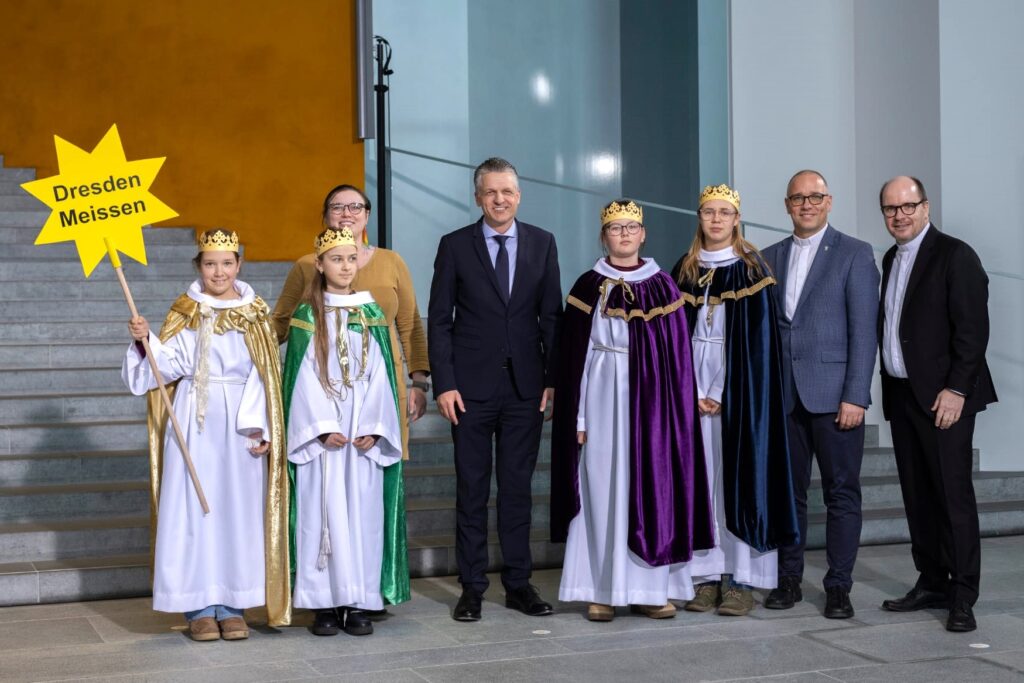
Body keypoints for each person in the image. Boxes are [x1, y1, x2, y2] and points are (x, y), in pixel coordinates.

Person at [122, 228, 290, 641]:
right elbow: (167, 366)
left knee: (237, 511)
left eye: (227, 263)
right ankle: (198, 607)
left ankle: (232, 606)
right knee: (193, 509)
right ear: (199, 266)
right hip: (194, 420)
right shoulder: (187, 310)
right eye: (211, 264)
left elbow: (266, 375)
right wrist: (146, 342)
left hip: (241, 424)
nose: (219, 272)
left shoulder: (255, 313)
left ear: (239, 264)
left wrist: (262, 425)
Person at [551, 199, 712, 622]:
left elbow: (678, 358)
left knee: (651, 489)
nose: (623, 234)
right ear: (603, 236)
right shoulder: (588, 285)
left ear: (643, 234)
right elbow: (575, 358)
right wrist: (578, 417)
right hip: (601, 396)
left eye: (630, 227)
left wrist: (676, 413)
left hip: (653, 404)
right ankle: (602, 590)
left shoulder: (663, 286)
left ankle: (649, 590)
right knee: (601, 490)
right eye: (615, 228)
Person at [428, 157, 563, 621]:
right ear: (477, 197)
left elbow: (552, 317)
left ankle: (519, 584)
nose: (499, 199)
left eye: (507, 192)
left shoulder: (543, 243)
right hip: (469, 390)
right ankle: (472, 587)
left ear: (518, 196)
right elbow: (439, 320)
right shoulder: (454, 246)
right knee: (471, 489)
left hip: (526, 388)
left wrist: (552, 379)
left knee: (517, 490)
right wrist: (444, 383)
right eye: (490, 192)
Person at [876, 175, 996, 633]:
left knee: (952, 496)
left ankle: (963, 595)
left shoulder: (955, 255)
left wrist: (957, 390)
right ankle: (932, 581)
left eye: (908, 206)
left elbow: (973, 330)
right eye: (891, 208)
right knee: (918, 495)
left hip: (945, 397)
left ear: (925, 207)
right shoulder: (891, 258)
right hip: (903, 394)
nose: (899, 215)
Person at [674, 184, 800, 617]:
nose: (716, 219)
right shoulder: (685, 269)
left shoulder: (752, 270)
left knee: (737, 482)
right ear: (699, 217)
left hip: (736, 395)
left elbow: (756, 346)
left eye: (724, 212)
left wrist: (720, 391)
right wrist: (691, 389)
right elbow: (673, 339)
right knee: (701, 483)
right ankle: (705, 576)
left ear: (736, 219)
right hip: (690, 392)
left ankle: (741, 579)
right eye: (708, 211)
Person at [760, 170, 879, 619]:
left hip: (836, 398)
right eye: (798, 198)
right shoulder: (768, 257)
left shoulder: (855, 253)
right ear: (787, 205)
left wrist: (856, 395)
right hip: (784, 397)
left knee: (841, 494)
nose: (806, 205)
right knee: (787, 494)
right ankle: (788, 578)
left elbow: (864, 332)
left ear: (829, 202)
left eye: (815, 197)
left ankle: (838, 586)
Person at [282, 226, 407, 637]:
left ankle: (357, 600)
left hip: (361, 433)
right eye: (336, 259)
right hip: (325, 437)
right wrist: (320, 428)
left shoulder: (370, 312)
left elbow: (381, 375)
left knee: (362, 515)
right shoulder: (307, 316)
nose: (346, 266)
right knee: (322, 512)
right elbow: (300, 377)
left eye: (351, 258)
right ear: (319, 265)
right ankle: (323, 602)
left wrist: (375, 427)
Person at [272, 184, 430, 461]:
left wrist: (419, 382)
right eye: (337, 207)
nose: (347, 213)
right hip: (325, 389)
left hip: (381, 383)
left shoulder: (392, 262)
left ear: (367, 215)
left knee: (377, 467)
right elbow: (281, 323)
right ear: (326, 216)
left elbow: (410, 326)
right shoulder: (306, 265)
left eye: (355, 207)